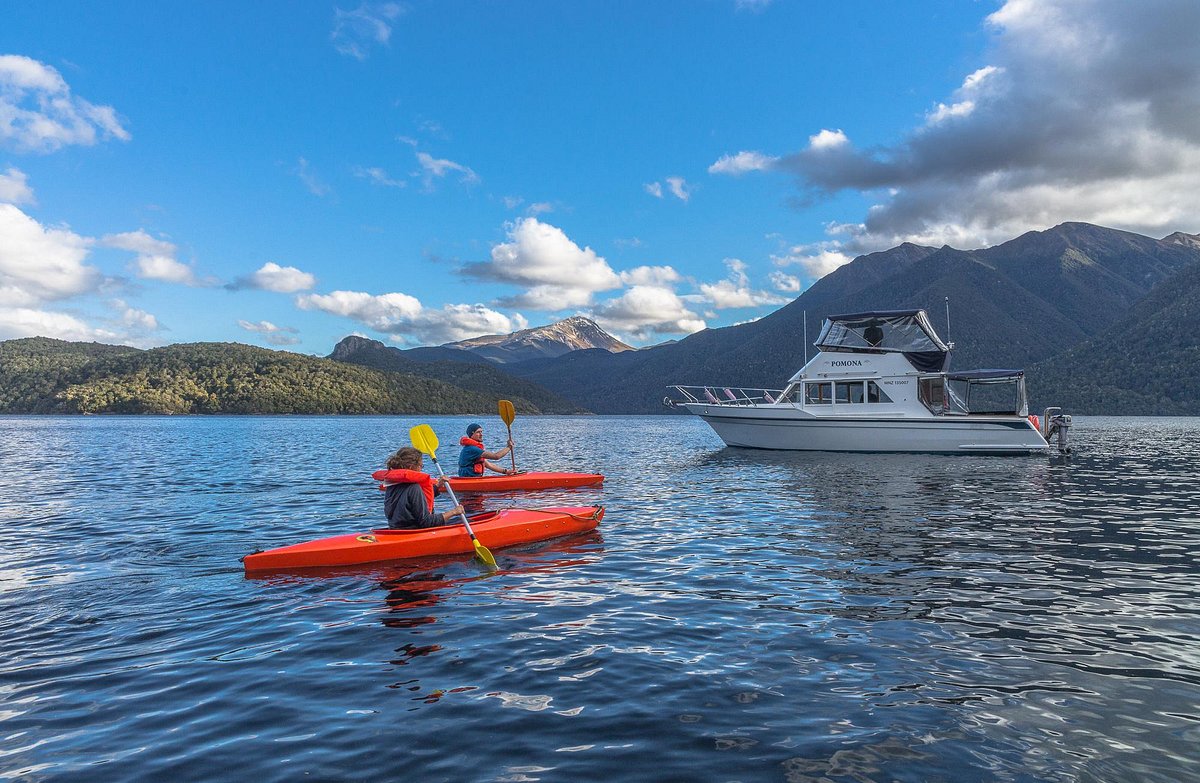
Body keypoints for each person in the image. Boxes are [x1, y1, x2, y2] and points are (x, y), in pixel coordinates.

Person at [373, 447, 463, 529]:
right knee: (463, 521)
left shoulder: (391, 484)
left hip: (396, 529)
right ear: (412, 467)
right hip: (414, 531)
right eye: (421, 466)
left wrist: (437, 486)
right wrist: (454, 512)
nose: (421, 469)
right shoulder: (414, 488)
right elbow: (426, 522)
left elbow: (413, 501)